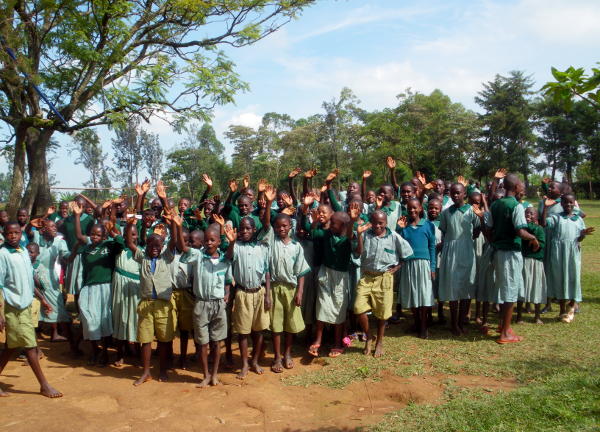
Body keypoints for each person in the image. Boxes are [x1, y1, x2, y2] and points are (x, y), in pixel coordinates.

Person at [0, 222, 62, 398]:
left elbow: (29, 279)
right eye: (9, 233)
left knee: (11, 347)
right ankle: (44, 385)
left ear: (21, 234)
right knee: (30, 346)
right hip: (14, 308)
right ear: (4, 234)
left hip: (26, 305)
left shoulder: (23, 252)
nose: (13, 236)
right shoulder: (3, 255)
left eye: (16, 233)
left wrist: (42, 299)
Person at [177, 216, 233, 387]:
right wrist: (178, 227)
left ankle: (214, 375)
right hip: (201, 304)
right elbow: (182, 247)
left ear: (218, 241)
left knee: (216, 343)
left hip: (218, 305)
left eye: (212, 240)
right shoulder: (197, 256)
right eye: (206, 240)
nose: (209, 243)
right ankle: (205, 375)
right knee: (202, 343)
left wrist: (227, 294)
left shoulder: (224, 260)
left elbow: (228, 280)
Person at [226, 186, 275, 379]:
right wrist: (230, 242)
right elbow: (229, 257)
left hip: (260, 292)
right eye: (242, 229)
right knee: (243, 332)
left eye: (248, 229)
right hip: (243, 293)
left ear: (255, 230)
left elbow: (267, 273)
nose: (245, 231)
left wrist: (268, 295)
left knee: (259, 329)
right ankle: (245, 363)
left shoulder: (262, 246)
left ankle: (255, 360)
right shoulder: (236, 247)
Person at [125, 214, 177, 385]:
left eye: (158, 245)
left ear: (162, 246)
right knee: (145, 340)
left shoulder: (166, 257)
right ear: (145, 246)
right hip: (146, 304)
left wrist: (174, 225)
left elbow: (174, 242)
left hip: (163, 304)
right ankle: (146, 371)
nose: (154, 248)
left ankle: (162, 369)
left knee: (163, 340)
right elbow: (130, 244)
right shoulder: (142, 257)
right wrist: (129, 225)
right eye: (150, 245)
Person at [353, 208, 412, 356]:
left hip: (384, 278)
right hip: (366, 276)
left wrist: (397, 267)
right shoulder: (365, 234)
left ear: (386, 223)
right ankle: (368, 335)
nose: (377, 226)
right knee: (358, 308)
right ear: (370, 223)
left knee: (382, 313)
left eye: (381, 223)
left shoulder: (394, 237)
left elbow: (407, 253)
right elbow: (358, 252)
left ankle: (379, 341)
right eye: (374, 223)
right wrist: (359, 235)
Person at [489, 173, 539, 343]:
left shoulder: (495, 205)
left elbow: (488, 229)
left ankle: (504, 325)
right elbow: (520, 230)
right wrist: (532, 238)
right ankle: (505, 334)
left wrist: (496, 242)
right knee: (510, 293)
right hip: (510, 253)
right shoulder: (516, 206)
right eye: (521, 185)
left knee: (503, 289)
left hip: (498, 253)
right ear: (515, 187)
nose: (523, 188)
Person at [72, 202, 124, 365]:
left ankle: (103, 354)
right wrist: (77, 216)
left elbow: (122, 243)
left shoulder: (108, 246)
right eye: (92, 234)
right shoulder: (87, 248)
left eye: (97, 235)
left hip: (106, 288)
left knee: (104, 320)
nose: (94, 237)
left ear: (103, 236)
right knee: (89, 319)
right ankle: (95, 350)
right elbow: (80, 237)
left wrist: (113, 233)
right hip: (89, 288)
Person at [302, 199, 354, 358]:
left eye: (334, 224)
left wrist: (351, 220)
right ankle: (318, 340)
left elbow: (351, 234)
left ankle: (338, 342)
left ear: (343, 227)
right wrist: (306, 212)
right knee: (322, 305)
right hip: (325, 273)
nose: (330, 226)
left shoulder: (348, 239)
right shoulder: (326, 234)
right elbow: (309, 229)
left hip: (340, 277)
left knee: (339, 308)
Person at [266, 213, 310, 373]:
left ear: (290, 227)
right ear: (274, 228)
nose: (281, 228)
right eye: (278, 226)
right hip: (274, 288)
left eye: (284, 225)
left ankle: (287, 354)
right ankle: (277, 357)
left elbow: (301, 272)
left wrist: (300, 291)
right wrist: (267, 293)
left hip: (291, 290)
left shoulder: (296, 247)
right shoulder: (271, 244)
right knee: (276, 324)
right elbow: (268, 271)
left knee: (290, 324)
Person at [541, 194, 594, 323]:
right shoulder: (556, 217)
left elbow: (580, 238)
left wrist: (582, 235)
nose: (568, 205)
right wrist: (545, 208)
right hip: (558, 253)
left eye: (571, 202)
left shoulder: (578, 219)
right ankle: (562, 310)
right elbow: (543, 223)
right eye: (565, 203)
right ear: (562, 204)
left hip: (573, 252)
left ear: (574, 203)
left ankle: (572, 305)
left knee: (573, 278)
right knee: (560, 279)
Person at [438, 183, 482, 335]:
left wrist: (467, 240)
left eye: (458, 193)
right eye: (453, 193)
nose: (455, 196)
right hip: (451, 251)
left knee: (466, 285)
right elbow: (444, 232)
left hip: (467, 250)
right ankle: (454, 323)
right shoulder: (445, 213)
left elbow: (477, 230)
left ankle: (463, 320)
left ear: (465, 194)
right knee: (453, 287)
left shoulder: (471, 211)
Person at [32, 219, 76, 349]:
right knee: (36, 308)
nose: (55, 229)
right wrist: (33, 223)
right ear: (44, 229)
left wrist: (75, 250)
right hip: (33, 273)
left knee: (58, 305)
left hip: (50, 276)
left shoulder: (60, 242)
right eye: (51, 226)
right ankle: (32, 346)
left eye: (55, 226)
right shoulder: (36, 236)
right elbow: (29, 230)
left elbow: (67, 257)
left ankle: (66, 339)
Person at [397, 198, 437, 339]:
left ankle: (424, 325)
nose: (412, 210)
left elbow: (432, 247)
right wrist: (399, 228)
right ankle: (417, 322)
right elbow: (398, 243)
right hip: (409, 264)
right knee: (412, 293)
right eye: (409, 208)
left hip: (423, 264)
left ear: (420, 208)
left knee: (424, 294)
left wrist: (432, 267)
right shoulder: (405, 227)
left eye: (415, 208)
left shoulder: (428, 225)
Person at [111, 223, 141, 367]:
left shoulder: (141, 252)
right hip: (120, 288)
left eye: (134, 234)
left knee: (135, 319)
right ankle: (120, 353)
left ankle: (136, 350)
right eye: (128, 235)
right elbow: (113, 229)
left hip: (135, 289)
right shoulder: (119, 250)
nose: (131, 237)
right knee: (120, 318)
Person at [516, 207, 546, 324]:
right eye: (526, 213)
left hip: (535, 262)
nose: (528, 215)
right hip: (523, 260)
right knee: (521, 289)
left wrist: (532, 238)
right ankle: (519, 316)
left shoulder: (539, 229)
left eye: (532, 213)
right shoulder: (521, 229)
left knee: (536, 288)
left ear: (536, 217)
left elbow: (540, 244)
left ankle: (537, 316)